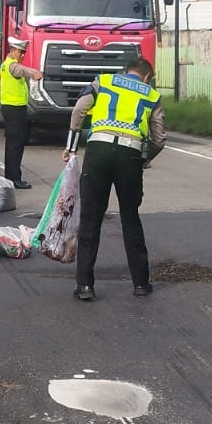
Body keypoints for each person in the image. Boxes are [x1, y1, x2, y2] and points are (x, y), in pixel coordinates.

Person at [63, 57, 166, 301]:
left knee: (91, 218)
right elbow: (159, 138)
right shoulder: (152, 95)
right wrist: (144, 158)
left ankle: (85, 286)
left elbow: (79, 110)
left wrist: (71, 147)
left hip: (98, 151)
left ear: (126, 71)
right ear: (146, 76)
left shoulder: (103, 81)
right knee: (130, 217)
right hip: (129, 156)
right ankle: (140, 283)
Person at [0, 36, 44, 189]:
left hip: (11, 108)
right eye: (20, 52)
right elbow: (20, 71)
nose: (23, 55)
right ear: (12, 50)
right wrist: (34, 72)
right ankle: (14, 179)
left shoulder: (6, 64)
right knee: (16, 145)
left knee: (12, 144)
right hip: (14, 108)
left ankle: (10, 177)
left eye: (24, 52)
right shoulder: (12, 65)